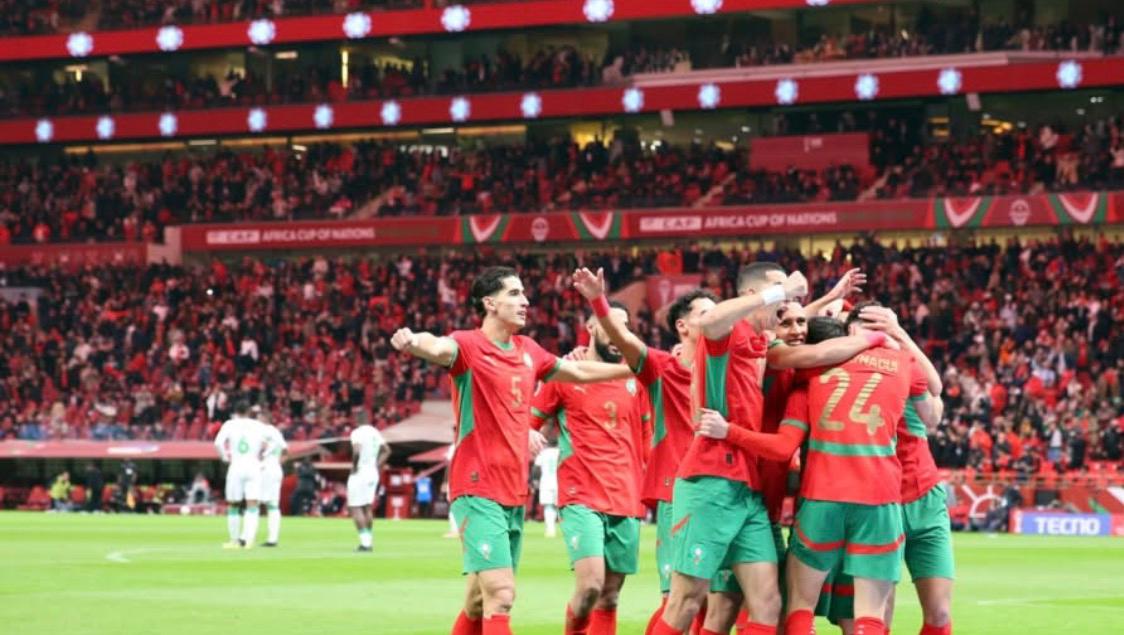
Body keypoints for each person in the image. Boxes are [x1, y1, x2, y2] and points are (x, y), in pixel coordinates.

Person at [390, 265, 634, 635]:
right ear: (490, 303)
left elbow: (580, 372)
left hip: (513, 489)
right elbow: (438, 346)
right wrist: (413, 341)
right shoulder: (468, 345)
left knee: (478, 600)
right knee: (502, 594)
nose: (526, 301)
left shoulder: (529, 350)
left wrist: (636, 368)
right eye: (515, 294)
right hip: (477, 485)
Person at [697, 305, 937, 635]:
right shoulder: (904, 362)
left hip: (819, 497)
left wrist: (729, 431)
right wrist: (896, 335)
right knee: (870, 615)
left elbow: (784, 443)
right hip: (879, 497)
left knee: (796, 607)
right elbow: (934, 404)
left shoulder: (806, 377)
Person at [650, 262, 807, 635]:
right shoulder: (729, 332)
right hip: (710, 480)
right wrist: (781, 291)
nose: (786, 297)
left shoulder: (757, 341)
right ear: (754, 295)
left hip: (748, 489)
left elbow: (796, 331)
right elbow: (710, 321)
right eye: (777, 288)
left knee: (767, 602)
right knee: (687, 600)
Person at [571, 268, 723, 635]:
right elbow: (622, 339)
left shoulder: (728, 369)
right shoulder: (661, 368)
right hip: (678, 492)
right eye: (705, 314)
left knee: (719, 601)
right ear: (683, 326)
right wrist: (597, 300)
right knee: (679, 599)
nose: (716, 320)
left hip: (724, 492)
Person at [531, 302, 651, 635]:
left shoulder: (636, 379)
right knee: (590, 587)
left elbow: (647, 439)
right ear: (591, 327)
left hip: (626, 496)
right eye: (610, 326)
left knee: (610, 596)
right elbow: (529, 420)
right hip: (581, 493)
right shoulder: (566, 373)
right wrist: (528, 434)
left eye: (624, 327)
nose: (618, 334)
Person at [214, 401, 271, 549]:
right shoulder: (258, 425)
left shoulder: (229, 424)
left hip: (236, 466)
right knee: (252, 504)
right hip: (254, 466)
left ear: (236, 412)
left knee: (234, 504)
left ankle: (234, 540)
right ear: (249, 412)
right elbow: (271, 444)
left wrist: (225, 457)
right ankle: (248, 540)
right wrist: (263, 457)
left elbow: (218, 443)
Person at [348, 419, 390, 552]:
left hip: (360, 472)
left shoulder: (357, 433)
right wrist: (376, 465)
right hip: (372, 472)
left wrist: (354, 467)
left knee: (356, 507)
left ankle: (365, 544)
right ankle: (368, 541)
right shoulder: (375, 432)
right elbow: (387, 451)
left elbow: (356, 451)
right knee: (367, 507)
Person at [260, 417, 288, 547]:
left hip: (265, 469)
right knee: (273, 505)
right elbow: (286, 451)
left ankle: (246, 537)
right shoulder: (277, 432)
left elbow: (260, 449)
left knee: (254, 502)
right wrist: (277, 463)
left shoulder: (262, 431)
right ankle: (273, 538)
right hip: (276, 469)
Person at [533, 445, 560, 538]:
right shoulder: (560, 452)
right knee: (557, 506)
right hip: (559, 482)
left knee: (548, 506)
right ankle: (557, 527)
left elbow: (536, 468)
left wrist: (535, 480)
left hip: (546, 482)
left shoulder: (543, 452)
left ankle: (550, 529)